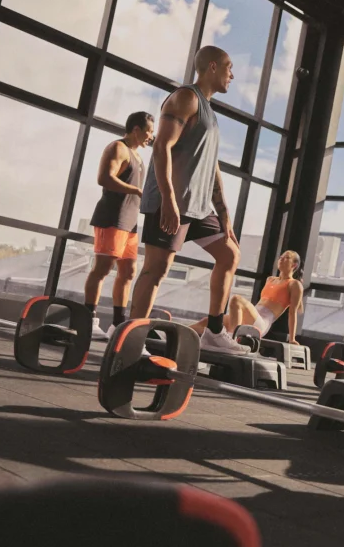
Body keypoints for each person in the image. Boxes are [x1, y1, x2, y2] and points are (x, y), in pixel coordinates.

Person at [128, 45, 247, 355]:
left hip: (198, 206)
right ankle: (133, 338)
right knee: (156, 270)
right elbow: (161, 147)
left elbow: (213, 167)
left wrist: (224, 215)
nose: (232, 75)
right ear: (210, 67)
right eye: (228, 67)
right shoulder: (186, 97)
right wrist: (168, 200)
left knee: (229, 255)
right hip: (172, 202)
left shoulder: (209, 112)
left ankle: (214, 331)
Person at [83, 111, 153, 340]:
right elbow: (104, 178)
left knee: (128, 272)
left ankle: (117, 324)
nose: (150, 137)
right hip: (112, 217)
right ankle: (88, 320)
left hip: (130, 222)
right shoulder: (117, 148)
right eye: (148, 131)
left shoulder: (139, 156)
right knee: (102, 269)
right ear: (136, 129)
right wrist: (136, 190)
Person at [190, 251, 304, 343]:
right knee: (207, 322)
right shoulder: (270, 279)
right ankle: (177, 331)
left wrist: (292, 338)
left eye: (286, 258)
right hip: (248, 317)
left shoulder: (294, 284)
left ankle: (231, 339)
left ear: (294, 265)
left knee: (236, 300)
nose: (281, 259)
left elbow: (292, 312)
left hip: (261, 323)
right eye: (281, 256)